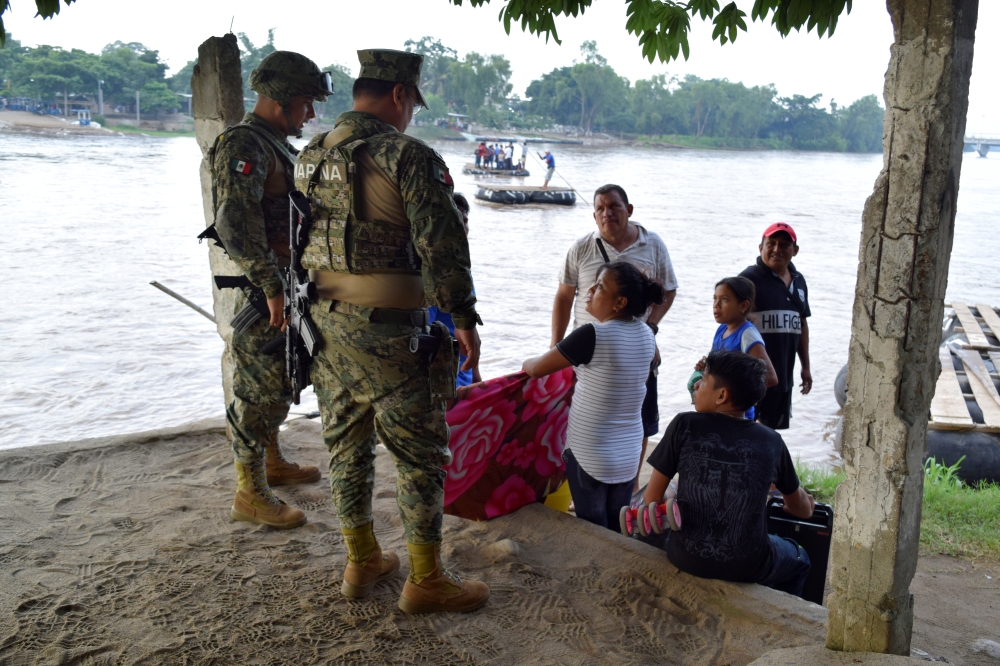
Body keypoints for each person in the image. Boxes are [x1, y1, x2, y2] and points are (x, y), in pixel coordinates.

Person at [295, 49, 488, 614]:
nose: (410, 116)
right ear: (400, 96)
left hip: (325, 327)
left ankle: (361, 562)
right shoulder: (407, 156)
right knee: (420, 456)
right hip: (393, 336)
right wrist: (462, 316)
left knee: (345, 447)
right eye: (411, 105)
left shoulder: (310, 155)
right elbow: (442, 246)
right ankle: (426, 580)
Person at [208, 51, 329, 530]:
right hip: (266, 291)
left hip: (283, 285)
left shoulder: (272, 143)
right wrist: (270, 283)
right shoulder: (245, 143)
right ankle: (250, 493)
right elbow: (234, 223)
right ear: (281, 102)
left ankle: (272, 463)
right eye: (305, 104)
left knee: (279, 378)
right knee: (257, 390)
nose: (311, 115)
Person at [641, 351, 815, 598]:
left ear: (722, 396)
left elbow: (651, 500)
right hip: (748, 566)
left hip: (685, 557)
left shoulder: (684, 425)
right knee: (801, 558)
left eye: (703, 381)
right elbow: (802, 511)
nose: (696, 385)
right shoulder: (772, 441)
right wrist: (805, 501)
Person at [552, 184, 678, 492]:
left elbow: (669, 290)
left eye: (614, 207)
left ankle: (630, 485)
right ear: (594, 215)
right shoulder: (581, 247)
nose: (607, 213)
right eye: (600, 209)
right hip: (586, 353)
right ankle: (579, 485)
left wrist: (651, 327)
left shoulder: (653, 244)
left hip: (637, 351)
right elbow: (564, 297)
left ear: (629, 209)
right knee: (583, 416)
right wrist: (556, 346)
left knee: (638, 418)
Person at [524, 262, 662, 530]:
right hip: (628, 451)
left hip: (590, 450)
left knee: (592, 525)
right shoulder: (648, 334)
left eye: (599, 287)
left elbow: (537, 368)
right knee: (616, 524)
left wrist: (524, 362)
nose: (588, 290)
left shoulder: (592, 335)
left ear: (619, 302)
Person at [739, 223, 812, 430]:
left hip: (782, 374)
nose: (777, 249)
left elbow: (802, 323)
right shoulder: (748, 279)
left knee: (770, 432)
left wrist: (805, 366)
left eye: (784, 244)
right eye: (771, 243)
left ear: (795, 250)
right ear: (760, 247)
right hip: (752, 374)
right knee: (744, 427)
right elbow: (728, 317)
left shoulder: (798, 281)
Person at [693, 277, 778, 419]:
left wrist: (732, 392)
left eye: (724, 299)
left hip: (736, 414)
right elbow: (722, 366)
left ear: (744, 306)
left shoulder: (747, 335)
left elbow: (770, 377)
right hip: (717, 407)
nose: (716, 305)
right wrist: (707, 366)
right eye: (715, 299)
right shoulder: (722, 329)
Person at [428, 193, 481, 387]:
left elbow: (469, 328)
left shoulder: (461, 273)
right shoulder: (433, 274)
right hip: (445, 389)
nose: (461, 226)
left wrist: (477, 377)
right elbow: (421, 337)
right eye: (455, 219)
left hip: (463, 380)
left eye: (464, 220)